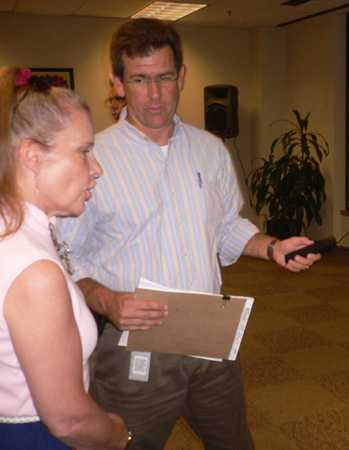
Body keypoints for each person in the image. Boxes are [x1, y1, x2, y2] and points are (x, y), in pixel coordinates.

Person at [56, 18, 321, 450]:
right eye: (140, 80)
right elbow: (65, 254)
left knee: (233, 442)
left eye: (164, 77)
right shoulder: (93, 157)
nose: (155, 94)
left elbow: (226, 227)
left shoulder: (209, 149)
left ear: (181, 76)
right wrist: (108, 301)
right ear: (118, 84)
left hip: (209, 335)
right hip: (135, 343)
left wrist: (272, 247)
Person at [0, 67, 129, 449]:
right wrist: (119, 435)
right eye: (84, 151)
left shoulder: (14, 230)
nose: (97, 169)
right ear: (32, 157)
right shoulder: (32, 269)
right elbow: (69, 420)